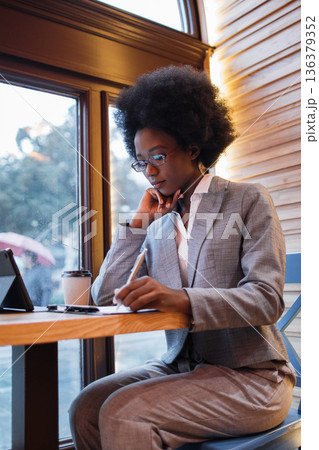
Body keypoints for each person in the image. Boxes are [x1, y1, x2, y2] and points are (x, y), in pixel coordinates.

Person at [69, 65, 296, 450]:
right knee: (85, 407)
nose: (149, 171)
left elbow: (267, 299)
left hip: (253, 376)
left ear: (193, 147)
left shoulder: (247, 199)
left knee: (124, 412)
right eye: (141, 161)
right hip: (182, 365)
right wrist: (137, 224)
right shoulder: (158, 221)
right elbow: (104, 296)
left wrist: (181, 299)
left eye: (157, 156)